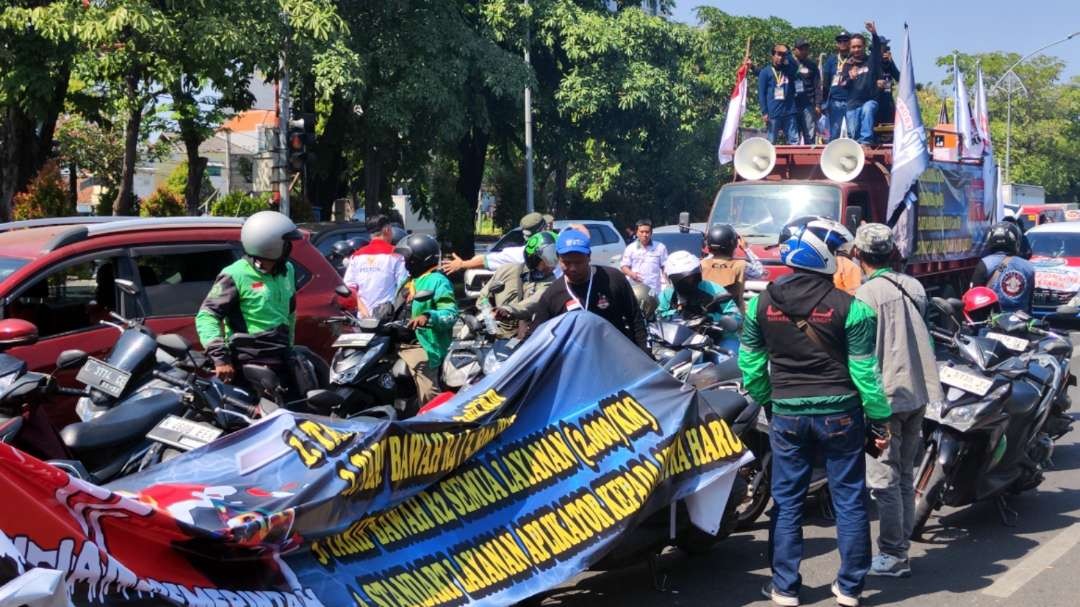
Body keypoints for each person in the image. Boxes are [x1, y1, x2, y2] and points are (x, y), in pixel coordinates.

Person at [739, 216, 890, 607]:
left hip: (787, 414)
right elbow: (864, 374)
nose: (842, 260)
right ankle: (851, 588)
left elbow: (751, 369)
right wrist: (878, 417)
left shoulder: (759, 304)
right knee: (850, 500)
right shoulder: (854, 310)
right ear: (821, 254)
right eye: (838, 253)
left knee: (786, 501)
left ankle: (785, 587)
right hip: (841, 414)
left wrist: (772, 402)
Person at [852, 224, 942, 578]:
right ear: (891, 253)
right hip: (917, 392)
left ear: (859, 255)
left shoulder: (865, 295)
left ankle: (892, 553)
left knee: (882, 479)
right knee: (904, 474)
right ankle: (900, 548)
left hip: (883, 398)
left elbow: (860, 355)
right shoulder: (915, 286)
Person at [196, 211, 301, 385]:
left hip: (280, 358)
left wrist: (289, 348)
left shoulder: (287, 270)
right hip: (249, 361)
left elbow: (290, 312)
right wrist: (220, 358)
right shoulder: (235, 274)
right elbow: (207, 316)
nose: (290, 247)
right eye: (287, 242)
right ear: (270, 243)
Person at [531, 229, 648, 349]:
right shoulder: (552, 295)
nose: (572, 268)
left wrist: (646, 357)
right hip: (576, 362)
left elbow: (636, 319)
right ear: (558, 258)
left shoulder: (613, 279)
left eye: (578, 262)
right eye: (566, 262)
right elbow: (536, 338)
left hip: (615, 358)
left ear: (589, 257)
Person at [394, 234, 459, 404]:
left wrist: (429, 316)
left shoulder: (438, 281)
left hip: (422, 344)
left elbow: (450, 313)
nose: (405, 263)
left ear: (418, 258)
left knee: (429, 392)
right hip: (396, 340)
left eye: (408, 258)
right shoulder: (408, 281)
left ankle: (434, 420)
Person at [658, 251, 742, 350]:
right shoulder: (668, 294)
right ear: (673, 279)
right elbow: (659, 315)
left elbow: (737, 317)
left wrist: (710, 317)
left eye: (693, 277)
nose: (690, 281)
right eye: (684, 279)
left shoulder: (713, 290)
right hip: (679, 341)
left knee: (729, 358)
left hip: (718, 339)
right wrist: (678, 313)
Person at [482, 231, 559, 338]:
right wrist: (487, 312)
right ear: (535, 258)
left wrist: (508, 310)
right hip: (496, 336)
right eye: (548, 259)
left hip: (530, 338)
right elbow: (483, 296)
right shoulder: (506, 271)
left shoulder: (551, 283)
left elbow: (533, 302)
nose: (552, 266)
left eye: (555, 260)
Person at [342, 214, 409, 318]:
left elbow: (349, 289)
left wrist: (363, 309)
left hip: (362, 319)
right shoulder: (396, 254)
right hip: (387, 318)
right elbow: (404, 286)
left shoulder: (356, 256)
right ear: (387, 229)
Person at [441, 212, 548, 275]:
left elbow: (485, 259)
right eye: (547, 227)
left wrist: (463, 264)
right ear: (543, 230)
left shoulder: (516, 254)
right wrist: (463, 264)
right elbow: (485, 260)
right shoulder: (519, 254)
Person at [970, 222, 1036, 314]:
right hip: (1022, 322)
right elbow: (1030, 300)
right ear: (1016, 241)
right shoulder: (1028, 267)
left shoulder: (984, 264)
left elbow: (974, 297)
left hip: (993, 322)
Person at [701, 223, 765, 312]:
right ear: (733, 245)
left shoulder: (701, 265)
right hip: (734, 315)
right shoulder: (741, 265)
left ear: (709, 246)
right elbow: (761, 272)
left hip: (707, 314)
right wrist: (746, 249)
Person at [841, 23, 884, 143]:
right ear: (850, 48)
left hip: (870, 101)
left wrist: (874, 33)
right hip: (853, 104)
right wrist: (850, 78)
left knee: (867, 109)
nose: (856, 49)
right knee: (853, 134)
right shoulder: (847, 65)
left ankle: (866, 141)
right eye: (853, 47)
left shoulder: (871, 60)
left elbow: (876, 48)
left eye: (859, 46)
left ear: (864, 46)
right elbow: (843, 84)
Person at [759, 43, 800, 144]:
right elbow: (761, 94)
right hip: (773, 112)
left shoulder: (788, 70)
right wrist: (764, 112)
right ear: (772, 56)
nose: (780, 57)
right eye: (778, 54)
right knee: (771, 141)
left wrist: (788, 52)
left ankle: (794, 160)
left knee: (794, 141)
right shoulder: (765, 72)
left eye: (782, 55)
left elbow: (795, 65)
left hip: (789, 111)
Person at [620, 219, 669, 295]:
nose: (644, 235)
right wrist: (631, 274)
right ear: (637, 233)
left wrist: (667, 285)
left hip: (654, 289)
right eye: (642, 232)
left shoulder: (660, 247)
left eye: (647, 232)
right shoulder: (630, 248)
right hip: (636, 289)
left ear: (651, 233)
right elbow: (624, 266)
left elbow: (665, 267)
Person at [822, 31, 852, 142]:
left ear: (850, 43)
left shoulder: (855, 59)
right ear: (837, 44)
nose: (843, 43)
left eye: (845, 40)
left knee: (852, 132)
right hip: (834, 102)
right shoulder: (831, 60)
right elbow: (825, 82)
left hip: (851, 101)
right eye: (840, 41)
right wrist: (824, 103)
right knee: (833, 133)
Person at [792, 39, 822, 144]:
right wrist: (753, 68)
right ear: (794, 50)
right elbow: (770, 71)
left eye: (806, 49)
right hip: (792, 105)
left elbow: (817, 86)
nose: (803, 51)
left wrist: (818, 104)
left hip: (808, 104)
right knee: (794, 135)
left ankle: (810, 157)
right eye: (800, 49)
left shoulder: (812, 66)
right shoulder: (788, 64)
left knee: (809, 134)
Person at [874, 39, 901, 126]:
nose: (883, 52)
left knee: (890, 125)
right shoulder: (871, 63)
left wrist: (891, 62)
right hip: (875, 100)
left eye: (884, 49)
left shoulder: (889, 64)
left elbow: (899, 78)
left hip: (888, 100)